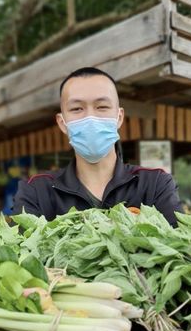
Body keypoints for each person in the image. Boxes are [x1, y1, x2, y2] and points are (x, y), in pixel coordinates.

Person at [12, 67, 182, 225]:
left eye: (102, 107)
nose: (90, 118)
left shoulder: (155, 184)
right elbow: (22, 254)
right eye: (77, 108)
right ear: (62, 123)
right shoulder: (36, 191)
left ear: (119, 117)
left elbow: (179, 251)